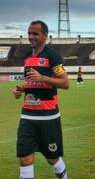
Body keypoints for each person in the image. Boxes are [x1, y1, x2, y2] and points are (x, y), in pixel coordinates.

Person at [12, 20, 69, 179]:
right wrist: (20, 90)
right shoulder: (26, 57)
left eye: (35, 33)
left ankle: (63, 175)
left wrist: (42, 77)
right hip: (27, 116)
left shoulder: (53, 56)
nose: (31, 36)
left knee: (52, 158)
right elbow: (31, 83)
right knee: (25, 158)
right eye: (29, 33)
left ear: (45, 35)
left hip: (48, 117)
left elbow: (65, 83)